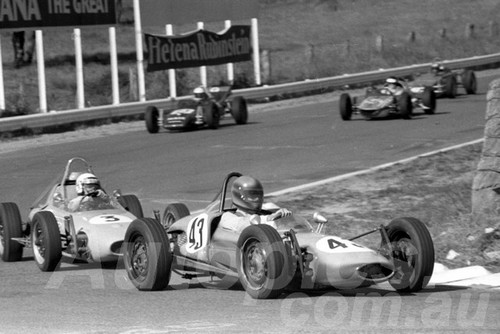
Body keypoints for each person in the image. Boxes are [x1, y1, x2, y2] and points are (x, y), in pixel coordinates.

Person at [218, 175, 292, 233]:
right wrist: (269, 218)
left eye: (258, 195)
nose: (257, 199)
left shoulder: (266, 210)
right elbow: (243, 225)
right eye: (252, 195)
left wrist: (285, 216)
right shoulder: (227, 217)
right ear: (240, 196)